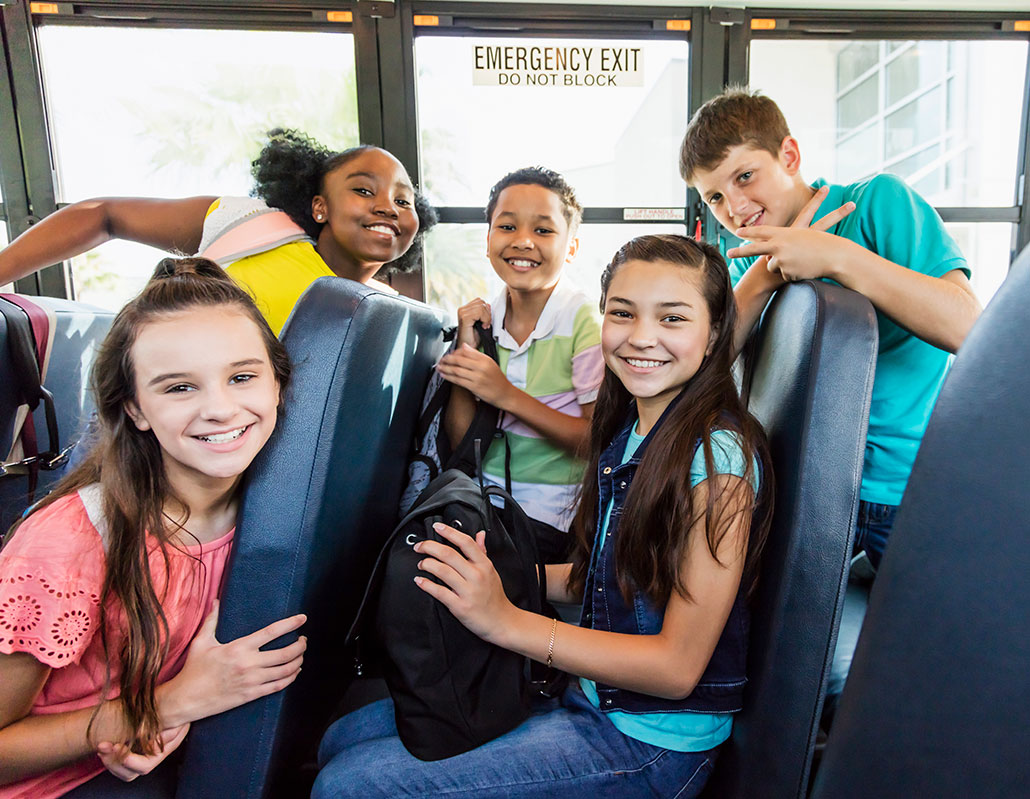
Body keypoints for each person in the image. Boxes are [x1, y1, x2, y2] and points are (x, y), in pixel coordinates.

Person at [313, 234, 774, 799]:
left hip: (649, 744)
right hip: (589, 693)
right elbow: (602, 582)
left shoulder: (716, 460)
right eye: (622, 314)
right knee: (340, 738)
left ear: (713, 336)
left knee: (349, 786)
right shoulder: (634, 431)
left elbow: (676, 668)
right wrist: (484, 580)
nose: (642, 337)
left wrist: (504, 620)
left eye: (673, 318)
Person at [679, 86, 981, 710]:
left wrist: (836, 256)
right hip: (811, 497)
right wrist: (766, 272)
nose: (733, 206)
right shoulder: (744, 260)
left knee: (946, 673)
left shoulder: (877, 204)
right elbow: (709, 369)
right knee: (801, 678)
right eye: (713, 196)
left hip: (914, 491)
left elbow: (966, 326)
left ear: (788, 153)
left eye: (745, 176)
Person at [0, 258, 306, 798]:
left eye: (241, 377)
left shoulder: (271, 506)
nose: (220, 408)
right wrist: (169, 704)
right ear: (136, 410)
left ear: (278, 384)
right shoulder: (69, 544)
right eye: (179, 388)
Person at [0, 129, 437, 335]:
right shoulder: (249, 223)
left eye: (403, 200)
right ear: (319, 206)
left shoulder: (390, 312)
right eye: (363, 190)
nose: (387, 206)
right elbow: (103, 214)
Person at [437, 167, 604, 562]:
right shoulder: (486, 317)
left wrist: (506, 395)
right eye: (507, 227)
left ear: (571, 247)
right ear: (489, 238)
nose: (523, 242)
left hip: (552, 515)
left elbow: (596, 442)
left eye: (543, 231)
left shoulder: (585, 321)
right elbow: (463, 442)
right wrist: (468, 348)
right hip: (479, 500)